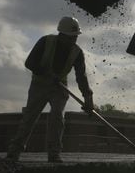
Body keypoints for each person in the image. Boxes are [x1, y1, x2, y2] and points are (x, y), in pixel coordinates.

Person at [6, 16, 94, 163]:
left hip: (59, 87)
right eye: (71, 37)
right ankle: (14, 151)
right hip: (39, 85)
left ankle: (54, 153)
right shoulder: (45, 41)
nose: (74, 40)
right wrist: (46, 73)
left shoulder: (77, 52)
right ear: (62, 35)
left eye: (75, 37)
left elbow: (81, 76)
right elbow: (29, 63)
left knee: (57, 117)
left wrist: (88, 97)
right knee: (29, 118)